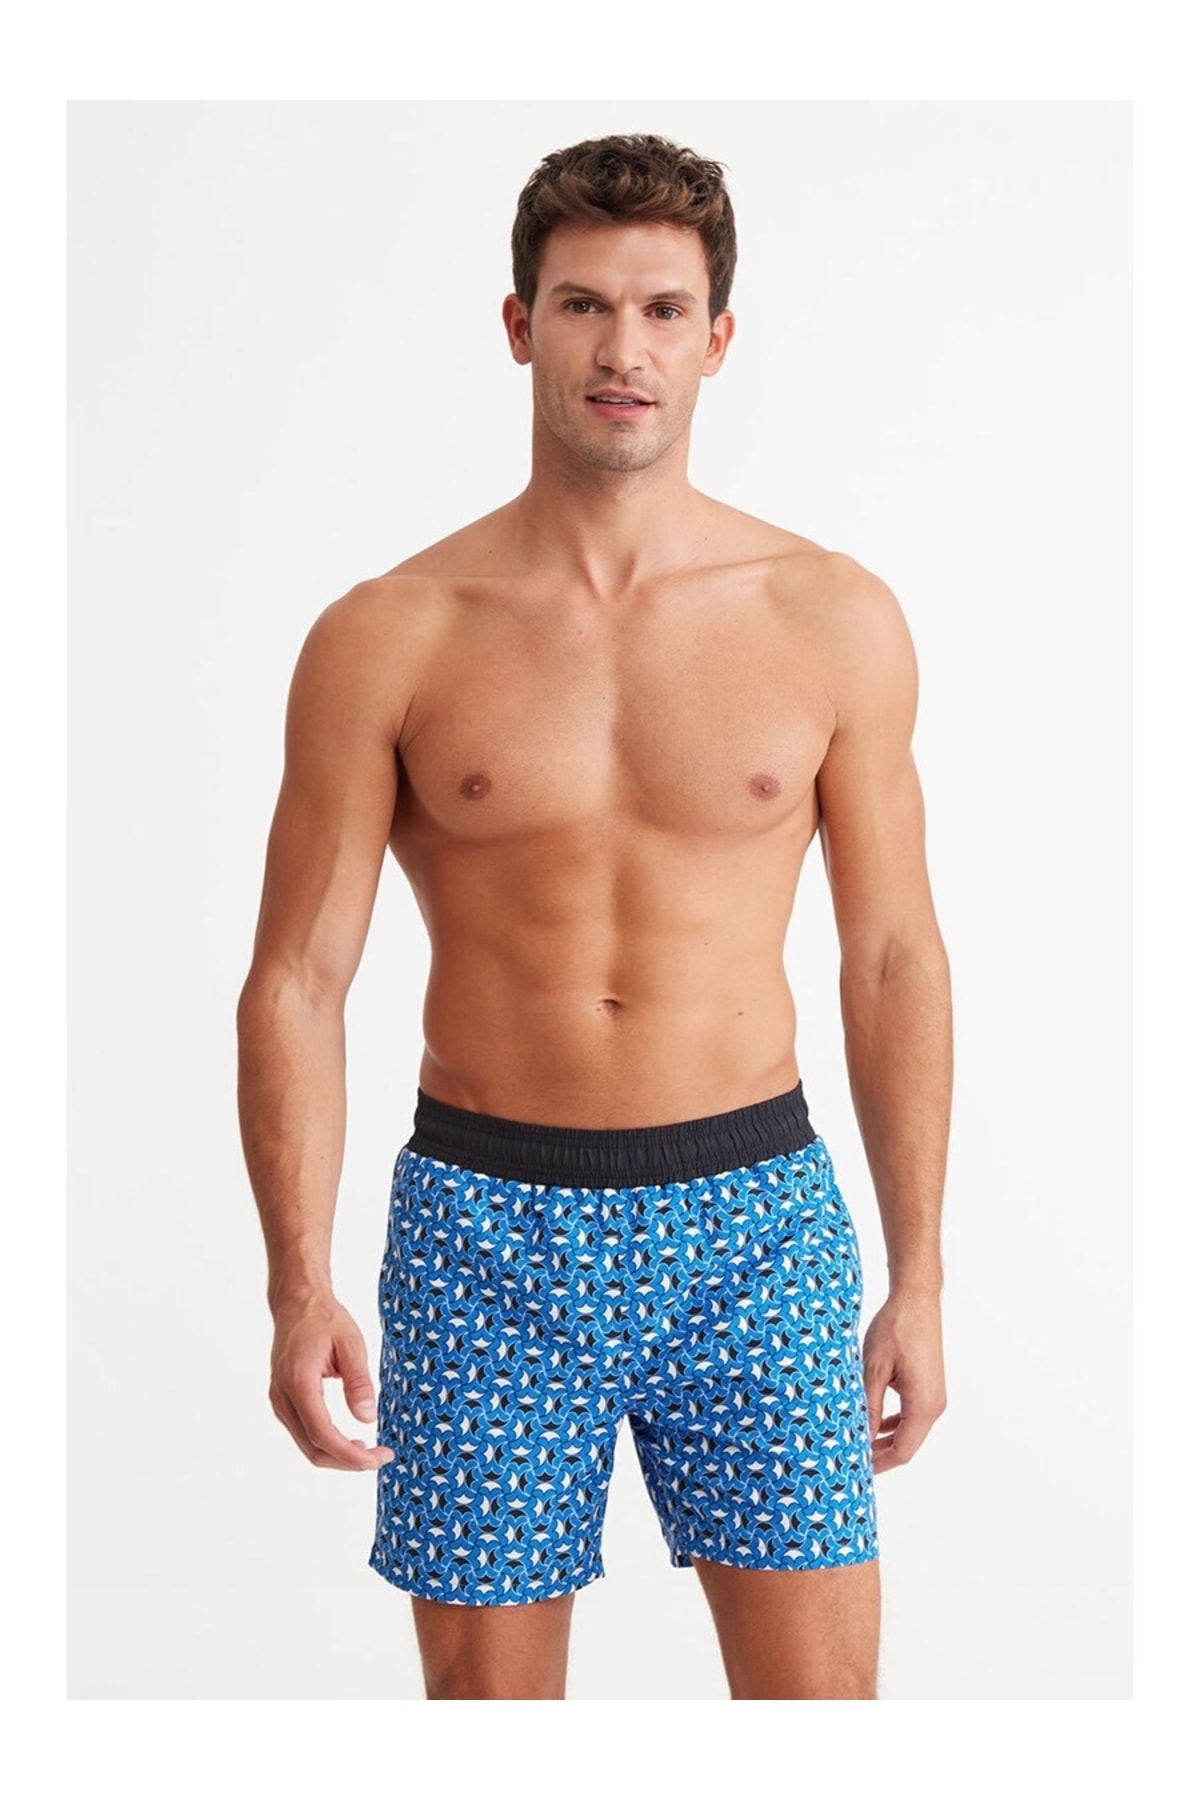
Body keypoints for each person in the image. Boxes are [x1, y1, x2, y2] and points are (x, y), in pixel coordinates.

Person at [236, 132, 952, 1702]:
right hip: (482, 1231)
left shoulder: (829, 615)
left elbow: (893, 954)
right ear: (520, 326)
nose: (624, 348)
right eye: (582, 306)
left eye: (662, 309)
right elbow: (297, 978)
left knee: (823, 1732)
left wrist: (920, 1274)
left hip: (757, 1226)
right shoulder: (389, 634)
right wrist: (298, 1284)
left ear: (717, 338)